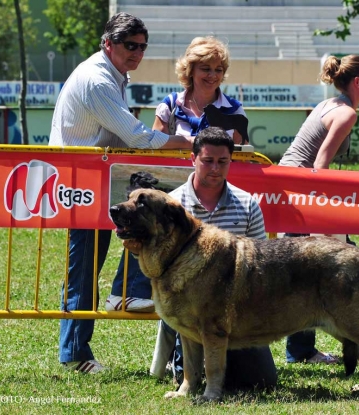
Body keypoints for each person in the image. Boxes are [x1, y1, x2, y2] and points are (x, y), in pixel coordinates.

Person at [49, 12, 195, 374]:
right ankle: (74, 355)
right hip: (81, 183)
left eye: (142, 46)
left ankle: (116, 300)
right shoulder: (98, 79)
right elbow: (137, 136)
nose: (137, 53)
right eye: (130, 45)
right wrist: (183, 142)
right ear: (108, 44)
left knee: (89, 263)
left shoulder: (110, 73)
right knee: (82, 269)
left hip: (96, 180)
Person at [126, 126, 277, 390]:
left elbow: (259, 262)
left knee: (260, 382)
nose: (215, 168)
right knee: (200, 369)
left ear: (231, 161)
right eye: (207, 161)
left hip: (235, 311)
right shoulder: (170, 203)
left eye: (223, 162)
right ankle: (183, 366)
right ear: (193, 159)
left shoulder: (247, 203)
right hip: (186, 308)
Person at [106, 35, 247, 312]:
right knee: (142, 227)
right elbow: (153, 149)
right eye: (206, 68)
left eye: (218, 69)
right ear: (190, 70)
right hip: (170, 194)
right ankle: (124, 293)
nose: (213, 75)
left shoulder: (234, 109)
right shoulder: (170, 104)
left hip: (212, 195)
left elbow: (239, 156)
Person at [278, 54, 359, 364]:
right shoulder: (346, 113)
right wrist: (326, 215)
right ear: (357, 82)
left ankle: (302, 350)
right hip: (300, 194)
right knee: (313, 272)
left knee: (299, 274)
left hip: (291, 188)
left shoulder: (329, 104)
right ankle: (308, 349)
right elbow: (320, 166)